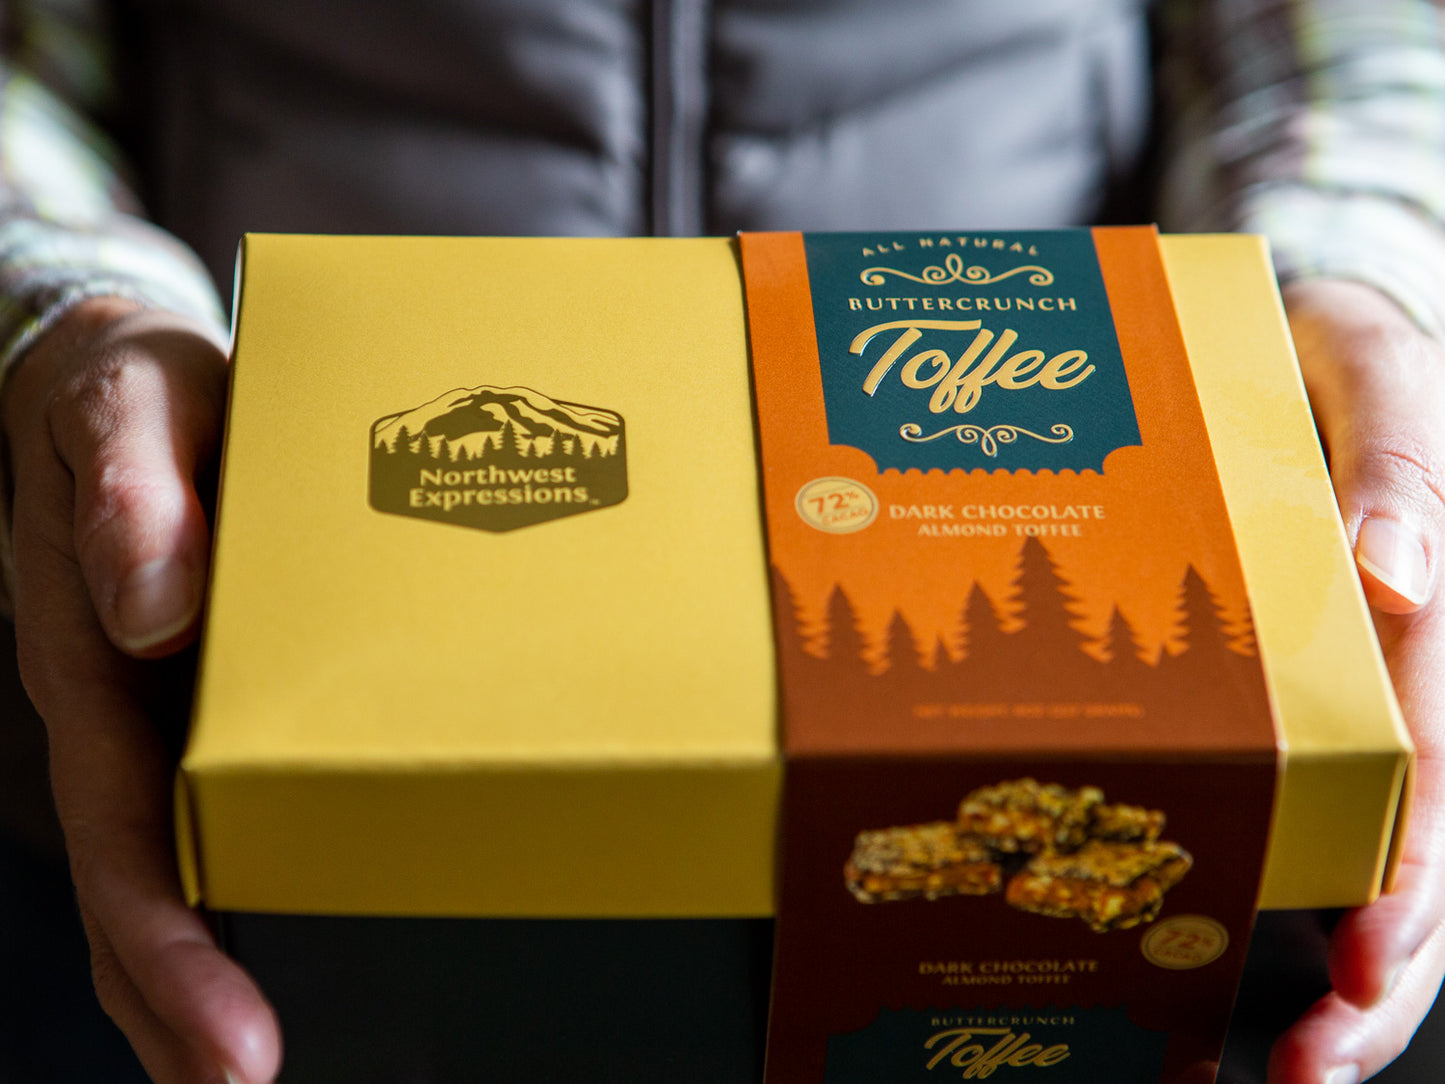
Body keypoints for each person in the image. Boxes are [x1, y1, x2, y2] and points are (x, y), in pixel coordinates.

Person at [1, 2, 1443, 1082]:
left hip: (1037, 517)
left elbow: (1332, 45)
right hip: (244, 649)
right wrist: (62, 307)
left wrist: (1355, 277)